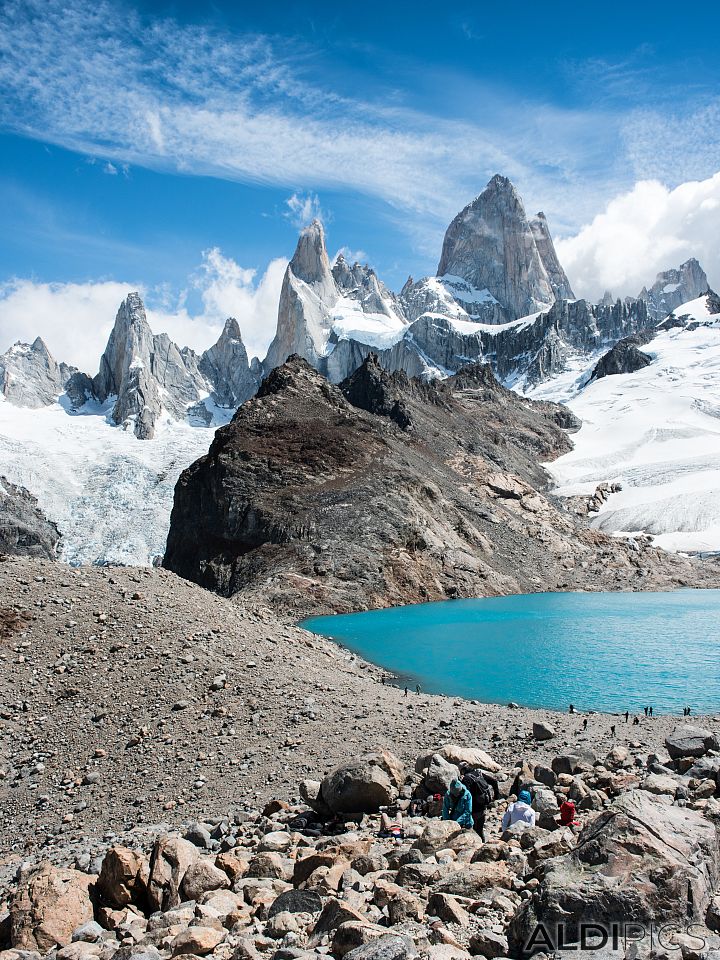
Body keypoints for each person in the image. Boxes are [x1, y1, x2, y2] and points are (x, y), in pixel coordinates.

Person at [461, 764, 500, 841]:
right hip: (483, 805)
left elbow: (465, 795)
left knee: (473, 831)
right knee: (480, 829)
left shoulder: (466, 779)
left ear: (462, 770)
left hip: (473, 808)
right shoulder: (479, 773)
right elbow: (494, 781)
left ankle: (477, 846)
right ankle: (482, 844)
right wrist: (496, 797)